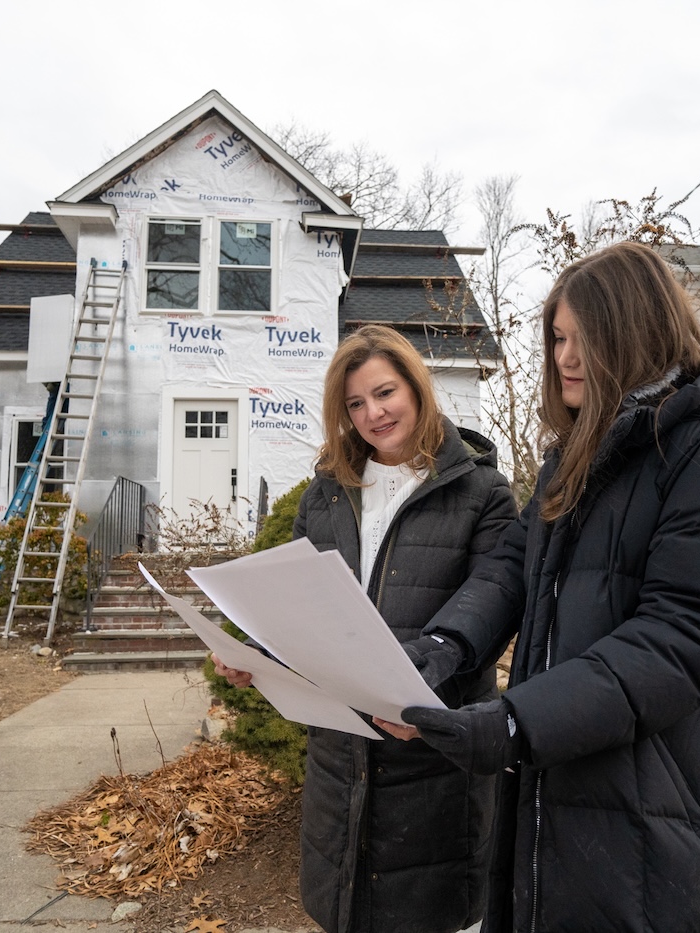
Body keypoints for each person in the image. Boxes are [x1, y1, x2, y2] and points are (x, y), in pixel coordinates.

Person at [379, 242, 700, 933]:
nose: (563, 357)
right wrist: (442, 645)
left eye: (583, 339)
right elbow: (512, 564)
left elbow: (685, 638)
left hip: (666, 814)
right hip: (570, 798)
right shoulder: (580, 453)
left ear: (636, 331)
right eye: (558, 337)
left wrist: (514, 722)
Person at [213, 324, 517, 933]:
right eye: (355, 403)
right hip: (339, 755)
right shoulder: (326, 493)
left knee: (430, 916)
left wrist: (427, 669)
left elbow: (495, 601)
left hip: (432, 754)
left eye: (385, 393)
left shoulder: (482, 491)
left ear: (417, 389)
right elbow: (294, 599)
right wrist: (255, 651)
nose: (373, 413)